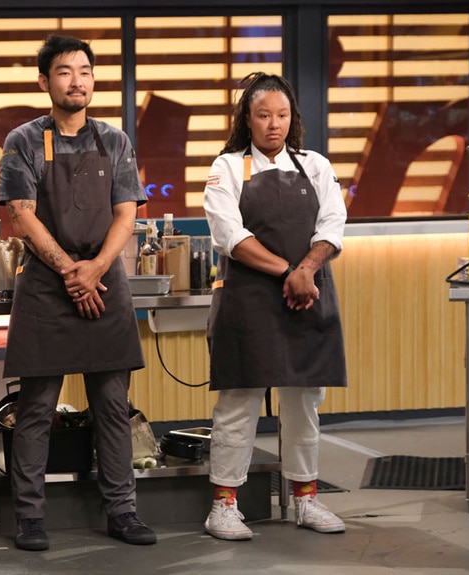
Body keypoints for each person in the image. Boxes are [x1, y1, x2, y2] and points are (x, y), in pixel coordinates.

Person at [0, 34, 156, 551]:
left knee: (112, 403)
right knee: (37, 406)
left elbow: (126, 212)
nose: (77, 80)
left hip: (104, 280)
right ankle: (30, 516)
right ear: (45, 82)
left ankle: (123, 510)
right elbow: (22, 213)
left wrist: (96, 269)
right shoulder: (23, 140)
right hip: (46, 285)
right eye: (65, 72)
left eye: (85, 70)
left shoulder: (115, 140)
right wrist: (71, 271)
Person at [202, 72, 348, 540]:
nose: (273, 124)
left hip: (308, 296)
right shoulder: (227, 168)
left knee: (305, 400)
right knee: (239, 400)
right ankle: (224, 506)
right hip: (250, 299)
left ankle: (306, 498)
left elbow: (332, 224)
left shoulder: (316, 166)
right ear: (247, 119)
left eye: (281, 115)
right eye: (263, 115)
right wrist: (291, 273)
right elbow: (231, 237)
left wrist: (306, 270)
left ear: (292, 119)